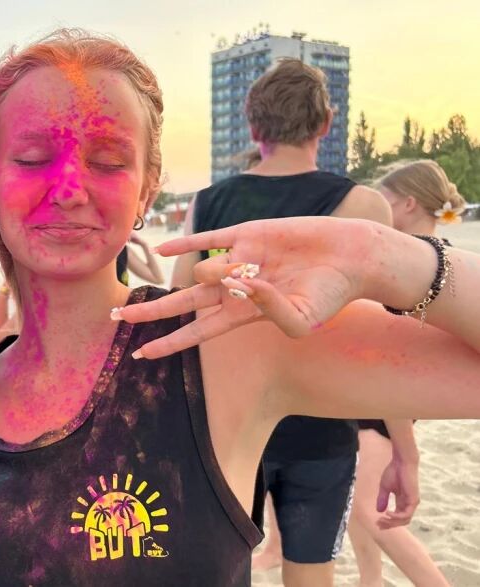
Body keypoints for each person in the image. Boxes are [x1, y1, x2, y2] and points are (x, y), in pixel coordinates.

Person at [0, 30, 480, 586]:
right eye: (33, 157)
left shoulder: (224, 347)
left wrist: (384, 255)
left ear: (147, 188)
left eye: (108, 161)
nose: (68, 188)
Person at [172, 58, 398, 586]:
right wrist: (401, 449)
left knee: (225, 570)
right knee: (312, 573)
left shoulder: (210, 202)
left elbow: (181, 302)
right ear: (326, 123)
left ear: (254, 127)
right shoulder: (363, 207)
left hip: (229, 419)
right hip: (324, 418)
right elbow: (384, 340)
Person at [346, 159, 464, 587]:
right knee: (360, 509)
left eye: (385, 200)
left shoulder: (409, 262)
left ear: (409, 203)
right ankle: (370, 581)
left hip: (386, 399)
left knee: (372, 512)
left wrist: (407, 450)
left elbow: (392, 354)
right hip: (390, 395)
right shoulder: (444, 257)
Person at [0, 233, 163, 345]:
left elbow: (157, 277)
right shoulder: (59, 278)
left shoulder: (122, 251)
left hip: (111, 321)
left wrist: (143, 244)